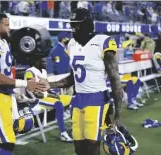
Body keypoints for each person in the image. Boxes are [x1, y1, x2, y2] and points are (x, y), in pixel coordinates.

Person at [40, 8, 123, 155]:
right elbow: (72, 78)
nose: (73, 29)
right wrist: (50, 84)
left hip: (97, 98)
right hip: (78, 99)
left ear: (86, 25)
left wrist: (117, 114)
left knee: (92, 144)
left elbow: (115, 79)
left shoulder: (103, 42)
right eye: (72, 25)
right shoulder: (72, 44)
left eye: (76, 25)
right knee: (78, 146)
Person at [0, 13, 46, 155]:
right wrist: (25, 84)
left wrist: (14, 93)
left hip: (3, 93)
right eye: (6, 25)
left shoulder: (3, 43)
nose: (9, 28)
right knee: (7, 141)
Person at [24, 57, 73, 142]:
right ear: (37, 61)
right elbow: (31, 91)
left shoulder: (44, 71)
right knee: (59, 104)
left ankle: (74, 127)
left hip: (47, 97)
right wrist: (48, 95)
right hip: (37, 100)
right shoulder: (30, 72)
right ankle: (63, 133)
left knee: (73, 99)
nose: (46, 63)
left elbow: (47, 87)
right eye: (43, 61)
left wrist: (53, 94)